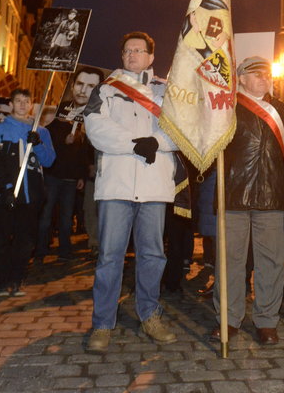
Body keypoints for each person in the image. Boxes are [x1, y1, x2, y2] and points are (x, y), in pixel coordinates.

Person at [84, 31, 179, 352]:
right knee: (109, 256)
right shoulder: (106, 89)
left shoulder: (169, 90)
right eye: (127, 51)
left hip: (154, 184)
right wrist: (137, 145)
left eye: (139, 51)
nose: (132, 55)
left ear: (152, 56)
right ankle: (102, 322)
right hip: (116, 184)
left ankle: (150, 313)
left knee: (153, 254)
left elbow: (183, 129)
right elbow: (96, 128)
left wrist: (159, 142)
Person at [209, 57, 284, 345]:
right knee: (230, 262)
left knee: (271, 262)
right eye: (256, 74)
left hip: (272, 196)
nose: (264, 78)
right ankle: (229, 319)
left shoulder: (280, 110)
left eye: (267, 74)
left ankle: (267, 321)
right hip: (233, 193)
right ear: (240, 79)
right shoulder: (226, 106)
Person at [0, 88, 56, 297]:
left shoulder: (41, 131)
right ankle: (0, 279)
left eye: (27, 100)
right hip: (5, 194)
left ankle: (17, 279)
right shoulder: (0, 129)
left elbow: (49, 160)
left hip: (31, 195)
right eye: (18, 101)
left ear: (32, 104)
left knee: (24, 241)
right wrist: (4, 188)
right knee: (1, 239)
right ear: (12, 104)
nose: (23, 104)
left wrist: (39, 144)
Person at [34, 116, 94, 262]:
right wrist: (62, 143)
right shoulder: (49, 130)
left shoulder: (77, 130)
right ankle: (40, 250)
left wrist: (81, 176)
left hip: (71, 180)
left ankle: (65, 251)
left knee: (66, 218)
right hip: (52, 177)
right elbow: (46, 152)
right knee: (46, 216)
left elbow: (81, 155)